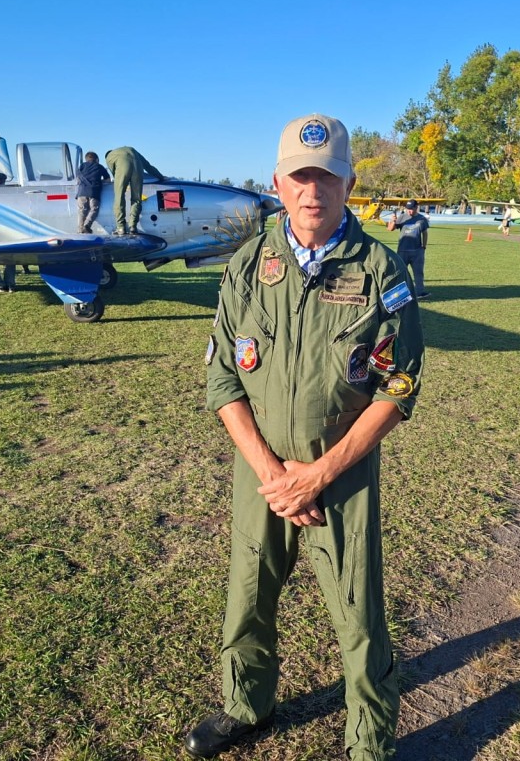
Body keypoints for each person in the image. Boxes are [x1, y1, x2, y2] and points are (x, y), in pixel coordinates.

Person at [187, 113, 424, 760]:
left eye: (326, 176)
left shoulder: (380, 270)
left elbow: (398, 387)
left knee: (358, 613)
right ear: (278, 184)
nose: (311, 190)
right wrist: (274, 475)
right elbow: (223, 380)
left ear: (349, 184)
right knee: (248, 593)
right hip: (260, 472)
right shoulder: (248, 266)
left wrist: (318, 474)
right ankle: (246, 704)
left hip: (341, 475)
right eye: (299, 177)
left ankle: (369, 742)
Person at [104, 146, 164, 235]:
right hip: (137, 167)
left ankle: (120, 227)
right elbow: (148, 166)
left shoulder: (109, 157)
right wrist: (161, 177)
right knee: (136, 198)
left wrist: (122, 181)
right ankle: (133, 226)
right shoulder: (132, 150)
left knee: (119, 197)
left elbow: (114, 173)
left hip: (123, 169)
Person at [387, 198, 430, 299]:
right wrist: (393, 220)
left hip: (417, 251)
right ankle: (399, 294)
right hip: (403, 251)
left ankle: (420, 292)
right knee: (400, 273)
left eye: (411, 209)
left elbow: (425, 233)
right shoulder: (402, 217)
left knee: (418, 273)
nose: (409, 211)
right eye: (408, 209)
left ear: (416, 207)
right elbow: (390, 229)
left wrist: (424, 246)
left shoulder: (422, 219)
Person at [76, 151, 110, 233]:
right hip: (94, 192)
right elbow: (108, 180)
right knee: (94, 209)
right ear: (97, 159)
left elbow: (77, 178)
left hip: (82, 192)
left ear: (86, 159)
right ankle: (87, 225)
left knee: (82, 210)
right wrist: (100, 181)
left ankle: (80, 230)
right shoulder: (99, 166)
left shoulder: (82, 166)